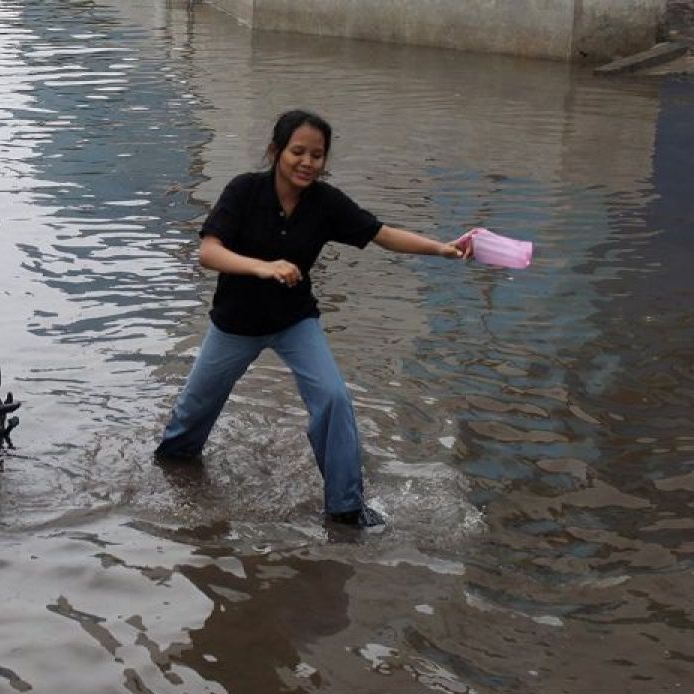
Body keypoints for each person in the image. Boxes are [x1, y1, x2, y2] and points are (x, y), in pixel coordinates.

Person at [155, 109, 468, 529]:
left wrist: (443, 249)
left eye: (317, 155)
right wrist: (263, 267)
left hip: (294, 322)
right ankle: (172, 476)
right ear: (276, 151)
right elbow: (209, 253)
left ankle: (345, 508)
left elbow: (381, 234)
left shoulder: (325, 203)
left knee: (334, 399)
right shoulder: (244, 190)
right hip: (236, 324)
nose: (307, 162)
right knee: (189, 424)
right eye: (298, 152)